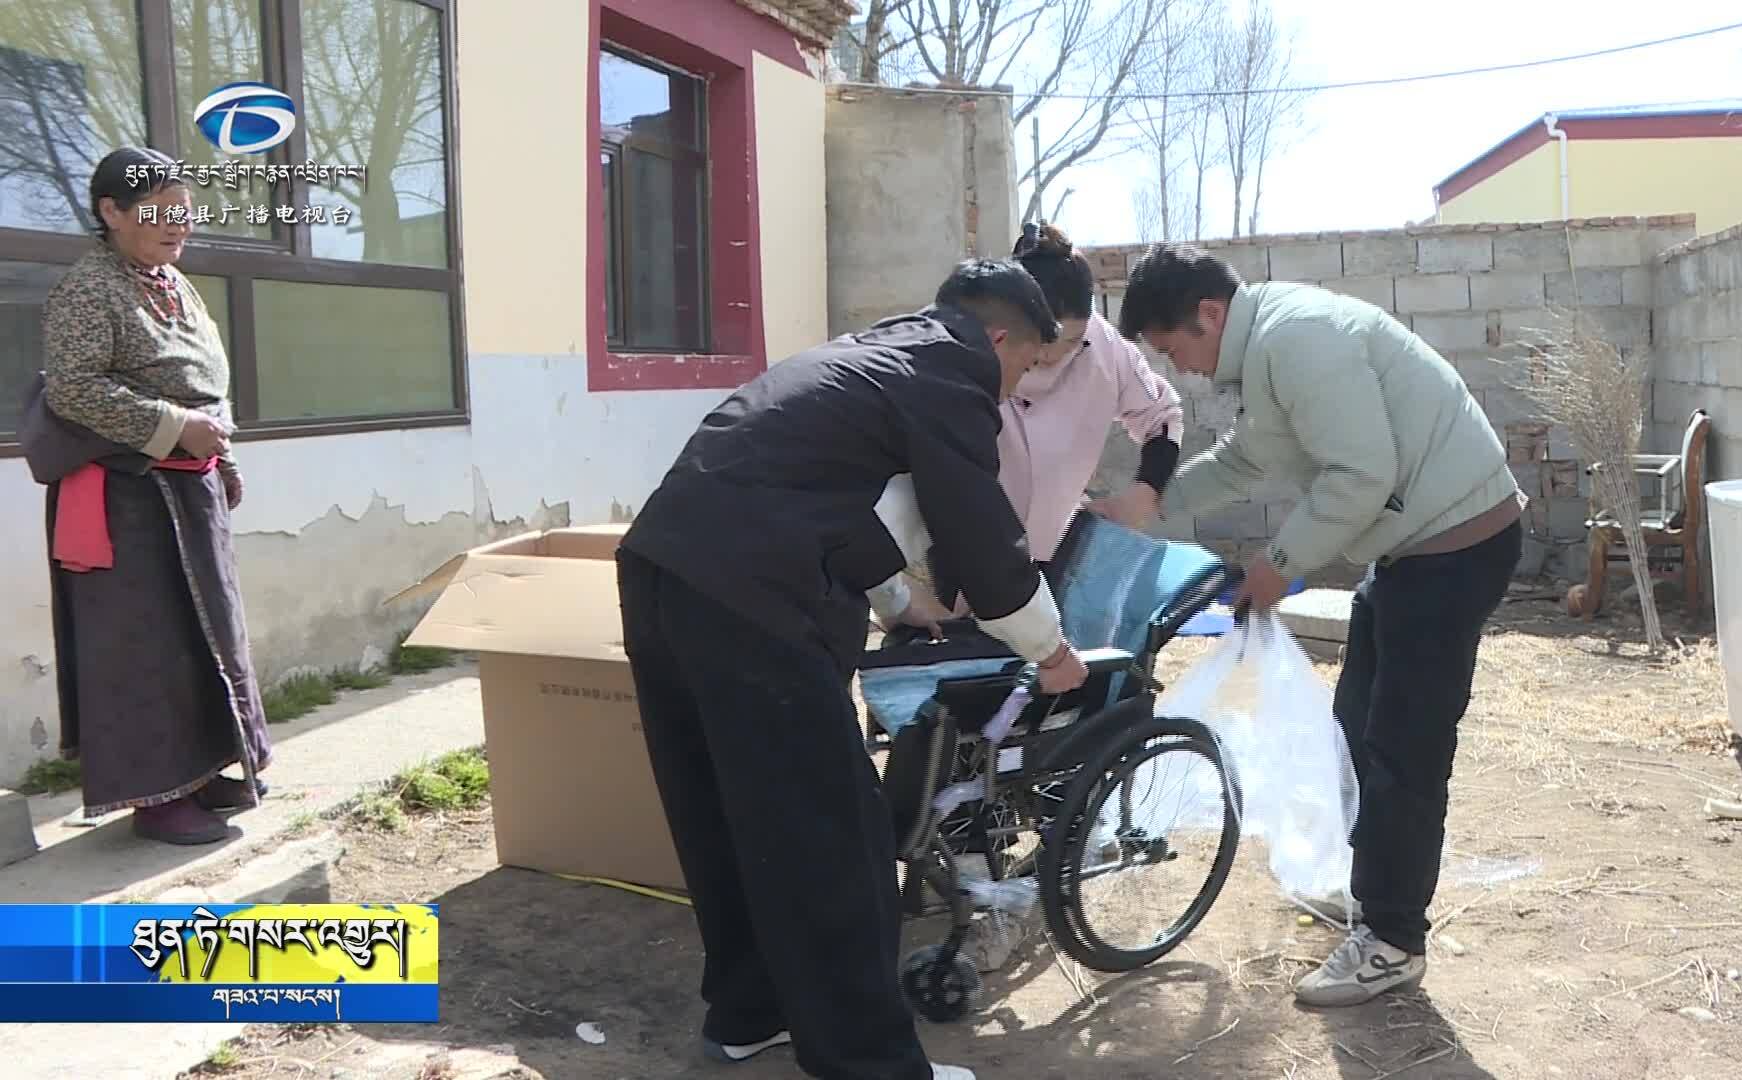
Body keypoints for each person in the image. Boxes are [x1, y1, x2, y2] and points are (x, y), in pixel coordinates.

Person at [617, 259, 1092, 1080]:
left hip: (663, 573)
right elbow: (984, 538)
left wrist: (897, 602)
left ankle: (751, 1013)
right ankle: (872, 1065)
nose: (1018, 386)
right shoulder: (951, 373)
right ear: (997, 338)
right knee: (838, 840)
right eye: (1026, 364)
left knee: (727, 815)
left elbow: (827, 495)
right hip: (753, 601)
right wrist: (1050, 649)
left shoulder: (868, 356)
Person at [1102, 243, 1524, 1009]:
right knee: (1356, 727)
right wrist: (1153, 504)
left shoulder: (1294, 339)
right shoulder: (1267, 349)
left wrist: (1281, 563)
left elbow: (1361, 474)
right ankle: (1372, 894)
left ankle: (1393, 939)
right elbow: (1242, 461)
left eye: (1172, 349)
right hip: (1412, 548)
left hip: (1452, 545)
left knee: (1402, 749)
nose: (1179, 370)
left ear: (1208, 314)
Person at [28, 146, 270, 846]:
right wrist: (176, 427)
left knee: (204, 636)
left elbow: (203, 379)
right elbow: (73, 389)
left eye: (185, 214)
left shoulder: (173, 281)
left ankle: (201, 772)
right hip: (126, 498)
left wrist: (221, 452)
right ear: (111, 211)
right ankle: (157, 799)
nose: (177, 227)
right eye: (159, 213)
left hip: (187, 488)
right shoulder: (88, 288)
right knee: (144, 645)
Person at [910, 223, 1183, 618]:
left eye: (1071, 342)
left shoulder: (1107, 349)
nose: (1051, 357)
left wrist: (1144, 494)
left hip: (1059, 548)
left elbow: (1162, 416)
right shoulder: (964, 346)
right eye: (1045, 340)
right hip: (964, 545)